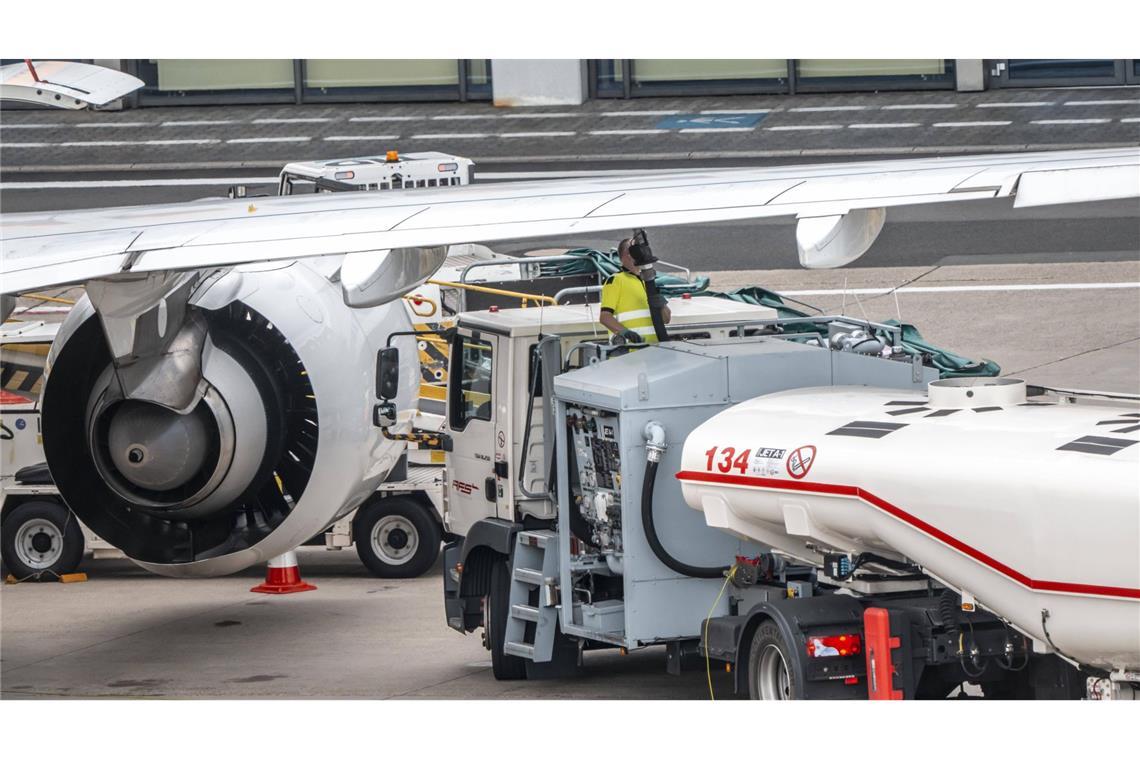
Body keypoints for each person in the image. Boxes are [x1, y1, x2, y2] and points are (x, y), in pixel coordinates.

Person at [599, 234, 671, 345]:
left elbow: (666, 320)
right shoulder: (615, 280)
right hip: (630, 354)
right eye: (637, 250)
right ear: (628, 254)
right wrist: (625, 333)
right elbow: (604, 317)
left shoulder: (647, 281)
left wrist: (662, 305)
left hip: (654, 352)